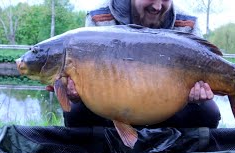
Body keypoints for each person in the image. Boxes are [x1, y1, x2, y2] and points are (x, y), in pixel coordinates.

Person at [62, 0, 221, 128]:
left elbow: (205, 59)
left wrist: (197, 95)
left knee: (208, 112)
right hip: (113, 103)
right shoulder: (100, 17)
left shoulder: (187, 22)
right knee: (75, 111)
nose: (158, 6)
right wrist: (78, 91)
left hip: (168, 102)